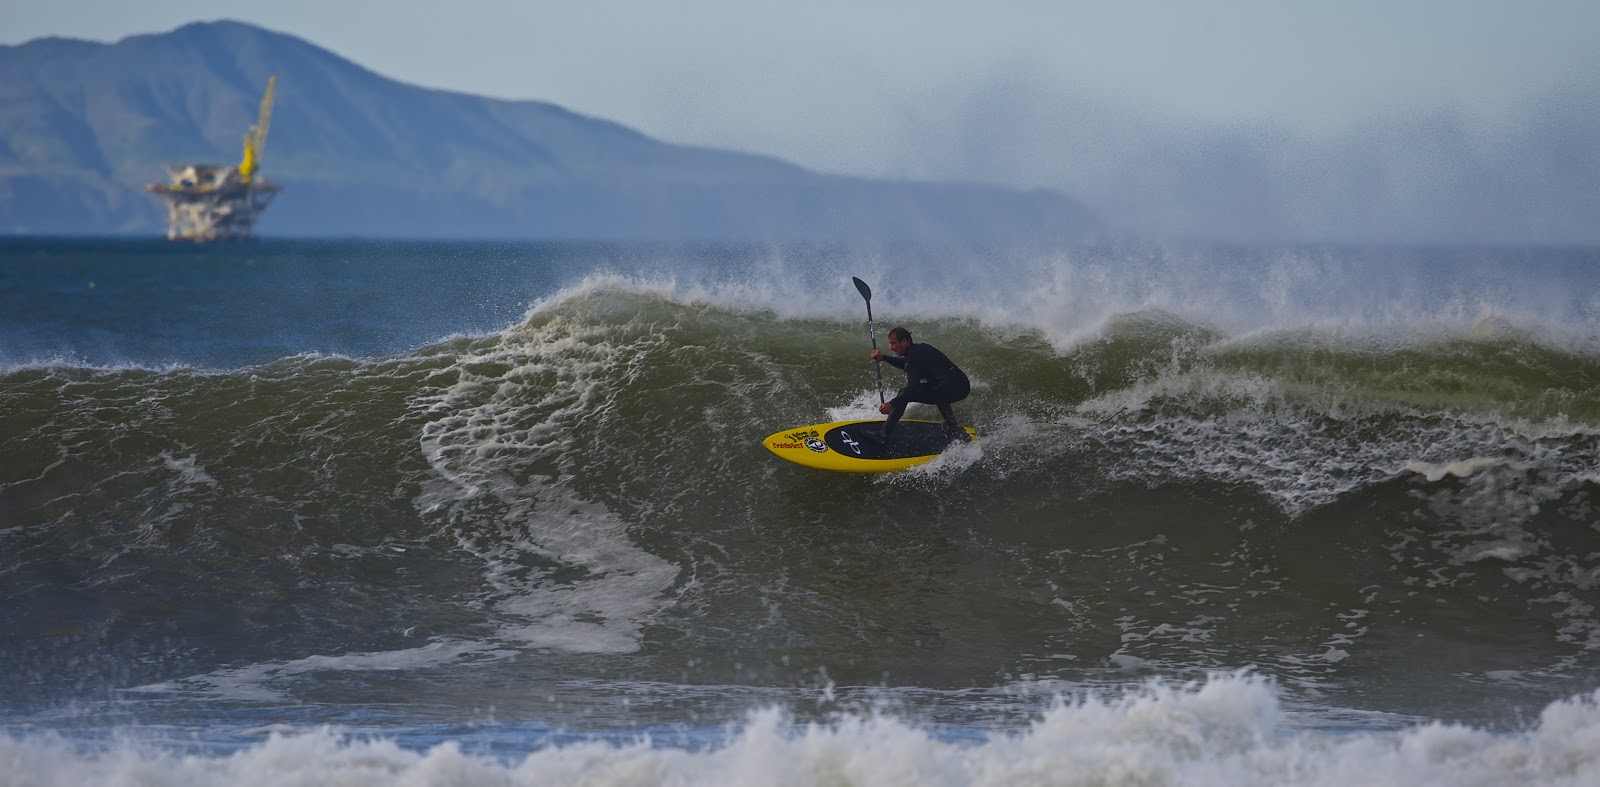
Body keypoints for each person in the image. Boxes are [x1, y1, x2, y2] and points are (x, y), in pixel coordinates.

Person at [867, 326, 970, 441]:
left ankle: (882, 435)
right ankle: (953, 427)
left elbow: (913, 388)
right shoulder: (920, 349)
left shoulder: (913, 358)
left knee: (904, 392)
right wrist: (884, 358)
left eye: (894, 344)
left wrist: (891, 404)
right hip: (961, 384)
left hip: (952, 388)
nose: (891, 348)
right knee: (936, 389)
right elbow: (907, 364)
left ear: (905, 342)